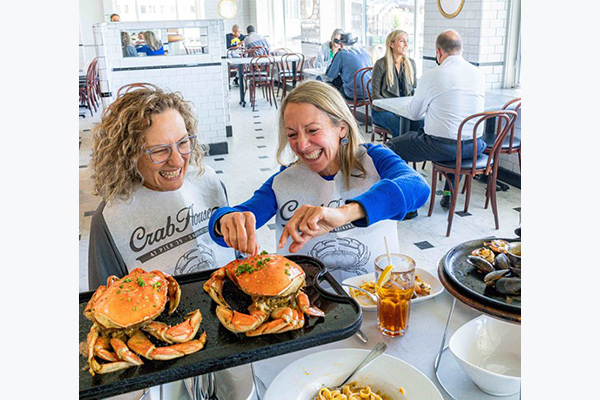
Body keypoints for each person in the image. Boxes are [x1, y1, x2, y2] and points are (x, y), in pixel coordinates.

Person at [208, 80, 430, 282]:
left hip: (374, 293)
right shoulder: (284, 180)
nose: (302, 145)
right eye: (292, 135)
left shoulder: (374, 158)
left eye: (312, 130)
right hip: (309, 301)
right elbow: (238, 217)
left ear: (341, 128)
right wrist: (225, 221)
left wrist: (345, 213)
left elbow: (417, 187)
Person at [88, 86, 235, 291]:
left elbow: (237, 257)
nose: (176, 160)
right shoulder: (108, 220)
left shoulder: (208, 181)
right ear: (128, 155)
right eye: (159, 150)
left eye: (183, 142)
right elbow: (103, 301)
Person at [385, 30, 485, 209]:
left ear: (438, 52)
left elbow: (414, 114)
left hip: (440, 147)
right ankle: (448, 194)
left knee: (391, 147)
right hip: (474, 146)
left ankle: (407, 203)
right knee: (457, 148)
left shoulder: (432, 75)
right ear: (461, 49)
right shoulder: (478, 74)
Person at [371, 29, 420, 138]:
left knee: (421, 124)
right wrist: (395, 110)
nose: (406, 45)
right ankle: (399, 152)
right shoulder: (380, 64)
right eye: (402, 41)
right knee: (400, 127)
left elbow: (414, 91)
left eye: (407, 41)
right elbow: (375, 96)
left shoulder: (411, 64)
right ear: (391, 44)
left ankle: (413, 153)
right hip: (382, 111)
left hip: (405, 110)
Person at [325, 32, 373, 101]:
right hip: (369, 92)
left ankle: (338, 111)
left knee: (331, 86)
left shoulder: (342, 54)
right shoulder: (365, 52)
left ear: (341, 45)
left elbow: (330, 75)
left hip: (353, 94)